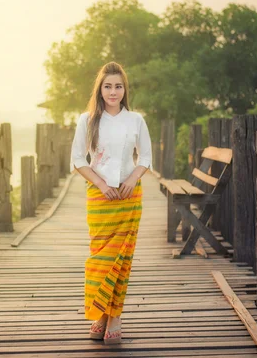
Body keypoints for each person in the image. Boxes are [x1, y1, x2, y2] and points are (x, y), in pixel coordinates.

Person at [69, 61, 152, 344]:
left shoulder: (136, 120)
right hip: (99, 197)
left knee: (122, 259)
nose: (113, 91)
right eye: (108, 86)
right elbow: (79, 160)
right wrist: (103, 185)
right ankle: (100, 313)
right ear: (100, 89)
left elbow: (145, 158)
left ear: (124, 89)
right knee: (100, 259)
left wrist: (131, 180)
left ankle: (115, 316)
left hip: (129, 197)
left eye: (118, 86)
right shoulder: (87, 120)